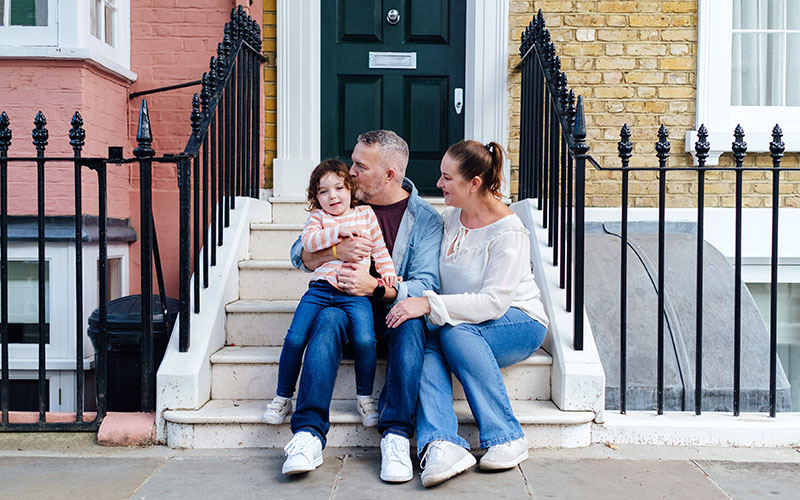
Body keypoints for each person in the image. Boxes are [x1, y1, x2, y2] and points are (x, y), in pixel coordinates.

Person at [280, 130, 443, 483]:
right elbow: (300, 253)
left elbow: (426, 286)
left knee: (411, 321)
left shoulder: (425, 219)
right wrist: (333, 253)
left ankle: (397, 435)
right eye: (352, 162)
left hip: (386, 309)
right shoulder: (343, 203)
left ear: (389, 175)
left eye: (359, 166)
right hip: (343, 304)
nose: (349, 173)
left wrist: (376, 287)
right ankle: (307, 433)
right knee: (326, 319)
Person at [386, 140, 549, 487]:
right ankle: (442, 443)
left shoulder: (509, 232)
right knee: (430, 341)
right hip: (462, 322)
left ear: (474, 183)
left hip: (518, 322)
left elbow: (494, 303)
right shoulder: (450, 220)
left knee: (453, 332)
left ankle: (506, 436)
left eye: (447, 178)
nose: (439, 184)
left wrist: (429, 303)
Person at [262, 159, 397, 428]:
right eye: (323, 191)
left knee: (366, 340)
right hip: (321, 291)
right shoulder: (318, 218)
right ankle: (283, 396)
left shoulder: (366, 215)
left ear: (350, 189)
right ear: (316, 197)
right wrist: (338, 232)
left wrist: (388, 272)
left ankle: (365, 397)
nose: (332, 196)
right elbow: (309, 244)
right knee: (295, 338)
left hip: (354, 293)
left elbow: (379, 249)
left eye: (338, 188)